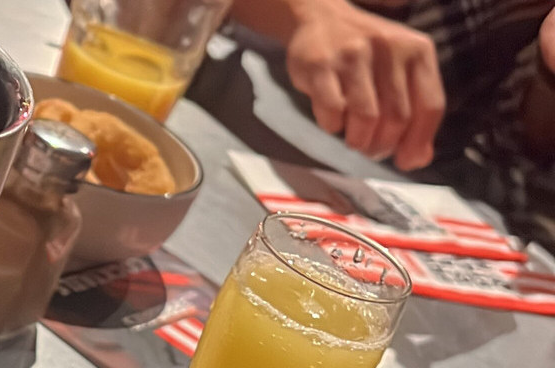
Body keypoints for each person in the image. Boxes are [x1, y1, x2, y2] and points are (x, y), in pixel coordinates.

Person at [228, 0, 555, 249]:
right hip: (237, 103)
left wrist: (548, 73)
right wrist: (308, 13)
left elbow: (516, 174)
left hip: (413, 204)